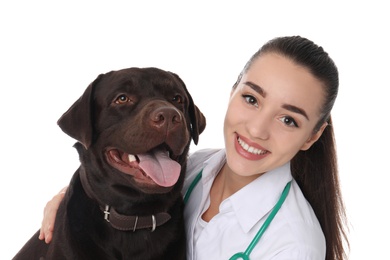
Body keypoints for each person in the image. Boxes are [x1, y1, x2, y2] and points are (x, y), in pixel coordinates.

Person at [39, 36, 349, 259]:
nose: (257, 130)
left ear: (312, 135)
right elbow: (117, 188)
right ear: (233, 91)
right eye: (251, 99)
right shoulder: (194, 170)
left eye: (288, 120)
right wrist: (70, 199)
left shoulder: (293, 247)